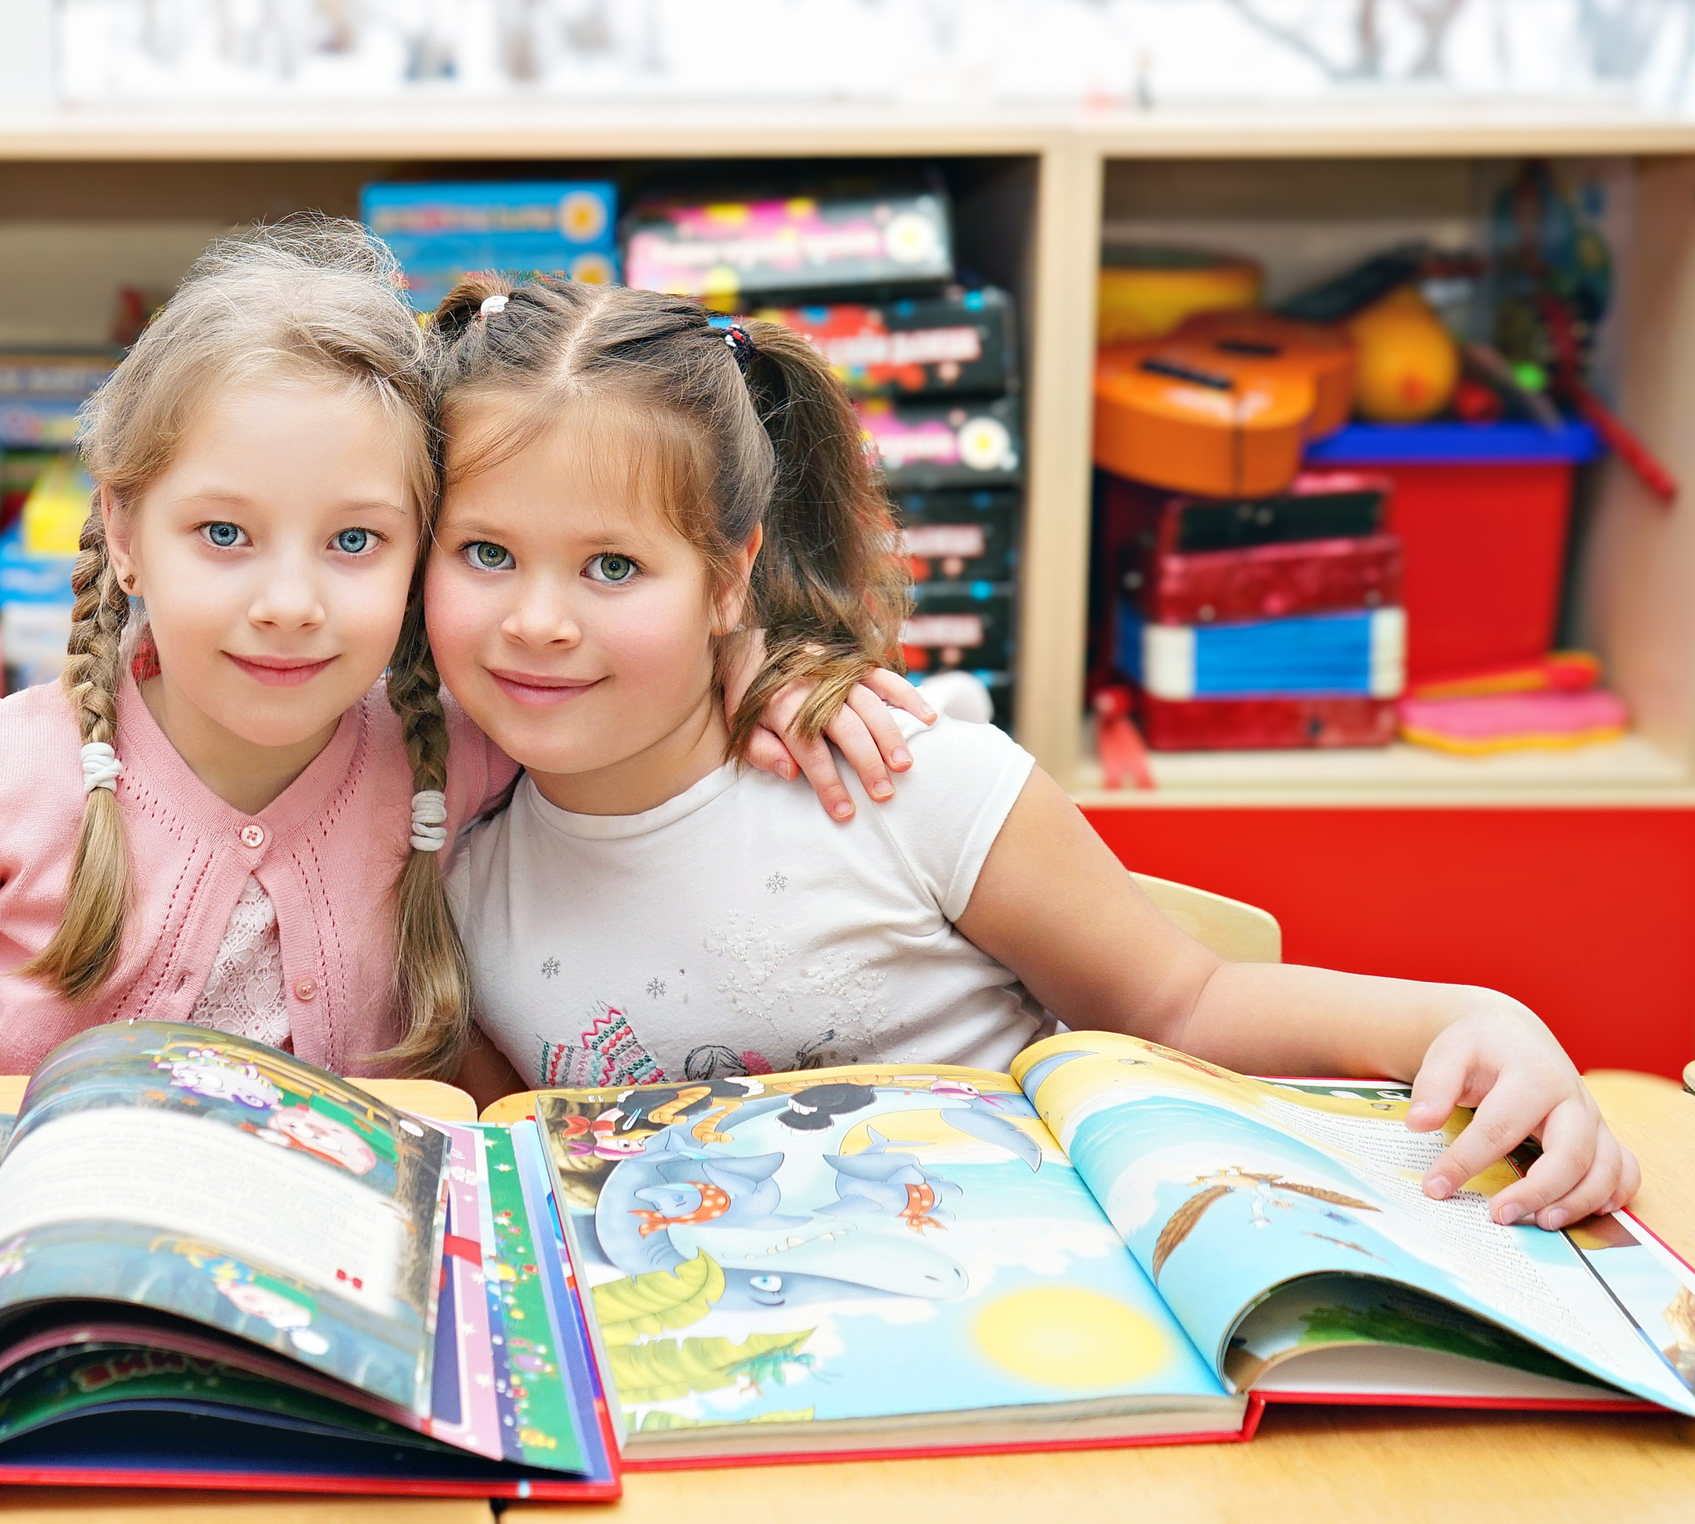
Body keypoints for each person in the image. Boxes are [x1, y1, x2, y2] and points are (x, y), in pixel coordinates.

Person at [426, 274, 1634, 1232]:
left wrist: (1461, 1022)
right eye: (486, 553)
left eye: (613, 566)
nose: (539, 620)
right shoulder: (456, 877)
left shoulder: (898, 771)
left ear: (729, 576)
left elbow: (1187, 1000)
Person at [0, 220, 927, 1120]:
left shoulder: (461, 746)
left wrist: (757, 665)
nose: (287, 605)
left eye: (354, 541)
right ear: (125, 533)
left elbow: (626, 680)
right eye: (222, 535)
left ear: (423, 555)